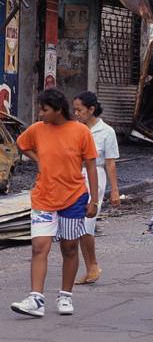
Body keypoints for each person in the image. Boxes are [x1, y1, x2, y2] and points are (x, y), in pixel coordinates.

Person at [11, 88, 99, 317]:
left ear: (58, 110)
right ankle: (36, 298)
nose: (40, 114)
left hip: (74, 198)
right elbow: (22, 144)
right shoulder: (37, 130)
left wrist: (94, 201)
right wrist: (40, 160)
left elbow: (91, 166)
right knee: (39, 247)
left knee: (69, 248)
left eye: (44, 110)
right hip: (43, 197)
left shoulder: (81, 132)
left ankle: (65, 296)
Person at [71, 91, 120, 285]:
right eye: (74, 110)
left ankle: (92, 266)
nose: (76, 114)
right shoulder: (73, 129)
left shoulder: (106, 132)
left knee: (86, 223)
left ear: (91, 109)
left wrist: (115, 190)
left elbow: (110, 163)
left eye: (79, 110)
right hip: (72, 175)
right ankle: (86, 265)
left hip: (94, 177)